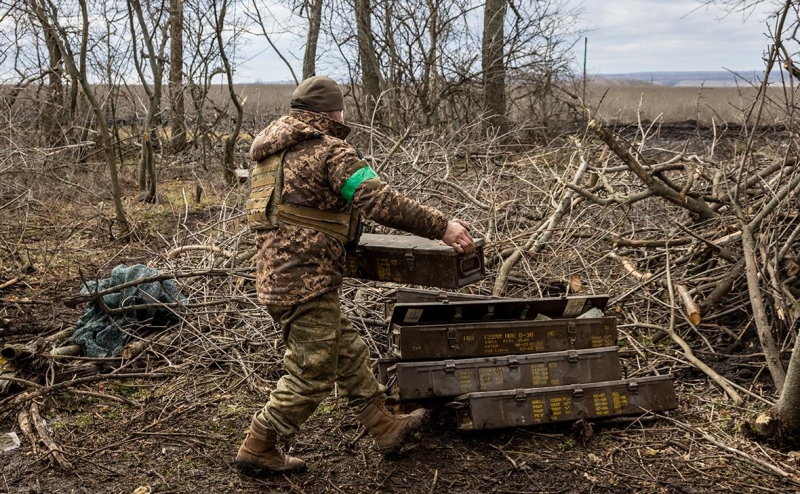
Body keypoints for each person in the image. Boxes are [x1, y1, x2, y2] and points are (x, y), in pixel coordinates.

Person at [236, 75, 475, 473]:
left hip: (277, 277)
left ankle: (383, 426)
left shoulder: (269, 156)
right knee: (311, 375)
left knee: (348, 353)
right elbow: (379, 200)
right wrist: (443, 226)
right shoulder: (331, 151)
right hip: (306, 281)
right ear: (334, 112)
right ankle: (258, 445)